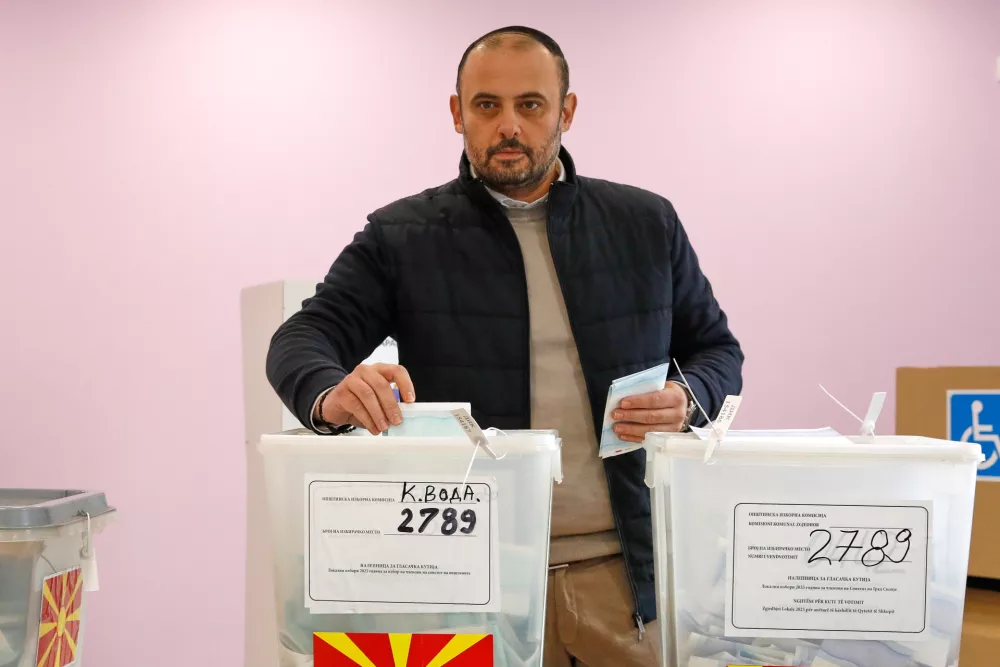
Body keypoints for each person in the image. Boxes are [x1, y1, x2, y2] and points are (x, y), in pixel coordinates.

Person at [266, 25, 743, 667]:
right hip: (468, 582)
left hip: (626, 581)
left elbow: (718, 352)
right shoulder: (402, 236)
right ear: (457, 113)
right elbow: (300, 338)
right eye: (487, 105)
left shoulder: (646, 224)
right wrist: (331, 394)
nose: (508, 125)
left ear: (566, 112)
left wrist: (688, 398)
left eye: (531, 105)